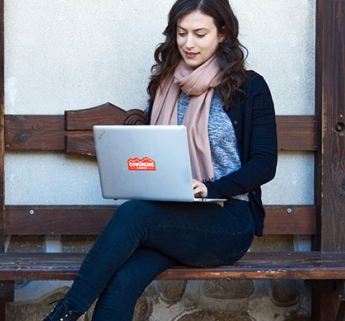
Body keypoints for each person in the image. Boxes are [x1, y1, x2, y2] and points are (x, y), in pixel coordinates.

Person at [42, 0, 277, 320]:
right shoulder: (167, 85)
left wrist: (209, 188)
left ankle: (63, 314)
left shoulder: (250, 87)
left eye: (199, 33)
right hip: (172, 214)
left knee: (134, 214)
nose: (188, 43)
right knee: (122, 280)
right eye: (181, 33)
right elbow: (155, 155)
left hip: (228, 219)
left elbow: (264, 164)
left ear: (222, 34)